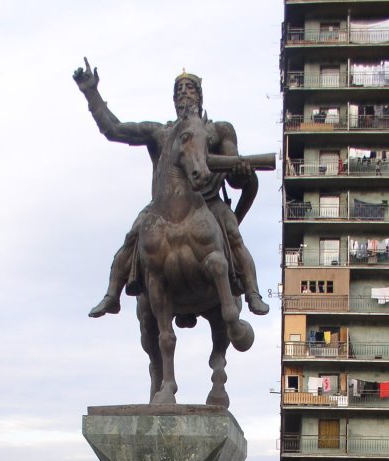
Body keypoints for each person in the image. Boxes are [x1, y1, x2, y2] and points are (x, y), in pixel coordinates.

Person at [73, 61, 269, 322]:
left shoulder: (219, 130)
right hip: (164, 208)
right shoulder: (160, 132)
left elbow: (233, 172)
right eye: (178, 90)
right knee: (134, 233)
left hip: (207, 202)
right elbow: (115, 130)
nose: (183, 93)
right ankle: (113, 293)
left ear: (199, 95)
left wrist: (241, 170)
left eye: (189, 88)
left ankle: (251, 290)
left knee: (231, 232)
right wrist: (91, 94)